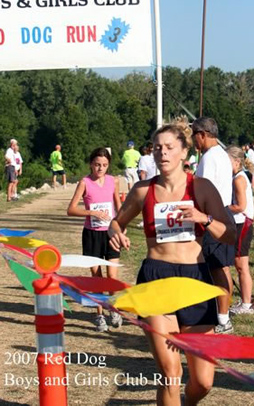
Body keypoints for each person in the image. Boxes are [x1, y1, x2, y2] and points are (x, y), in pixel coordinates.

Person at [108, 123, 235, 406]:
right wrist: (116, 233)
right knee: (170, 373)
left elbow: (230, 235)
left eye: (169, 148)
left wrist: (204, 219)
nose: (162, 153)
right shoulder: (143, 190)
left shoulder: (201, 187)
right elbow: (117, 223)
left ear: (184, 152)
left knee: (203, 381)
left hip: (195, 281)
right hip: (157, 278)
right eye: (157, 148)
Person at [67, 147, 122, 333]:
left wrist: (121, 227)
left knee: (112, 276)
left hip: (110, 233)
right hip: (91, 235)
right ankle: (99, 314)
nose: (100, 169)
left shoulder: (113, 181)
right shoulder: (84, 182)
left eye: (105, 165)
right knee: (97, 278)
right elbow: (71, 209)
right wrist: (91, 212)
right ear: (91, 164)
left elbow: (119, 206)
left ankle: (113, 309)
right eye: (97, 165)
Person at [192, 117, 235, 334]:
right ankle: (222, 317)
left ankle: (222, 318)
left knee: (216, 267)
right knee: (221, 267)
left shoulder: (209, 157)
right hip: (223, 213)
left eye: (193, 135)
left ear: (202, 134)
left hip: (212, 216)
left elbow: (202, 190)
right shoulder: (221, 154)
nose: (192, 141)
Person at [226, 146, 254, 315]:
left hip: (242, 222)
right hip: (241, 222)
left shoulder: (238, 179)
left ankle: (245, 304)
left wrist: (222, 208)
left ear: (236, 161)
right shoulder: (238, 176)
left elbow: (240, 206)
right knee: (239, 264)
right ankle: (245, 301)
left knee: (241, 264)